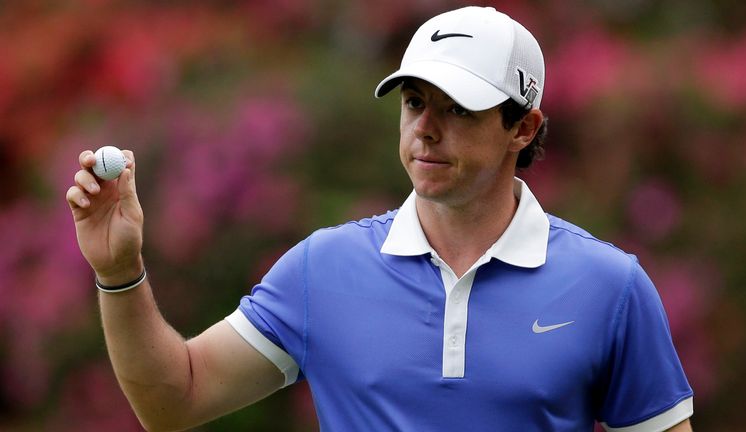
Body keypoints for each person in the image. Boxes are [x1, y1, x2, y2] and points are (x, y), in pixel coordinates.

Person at [66, 6, 694, 432]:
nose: (425, 128)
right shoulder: (323, 270)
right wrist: (120, 271)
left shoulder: (610, 286)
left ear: (521, 128)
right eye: (415, 102)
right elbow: (175, 398)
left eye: (458, 110)